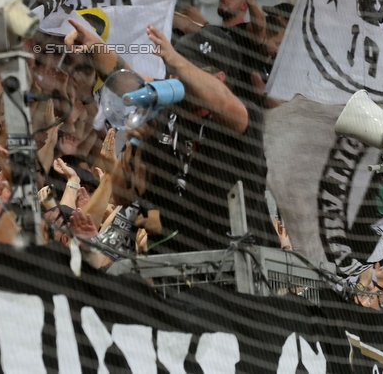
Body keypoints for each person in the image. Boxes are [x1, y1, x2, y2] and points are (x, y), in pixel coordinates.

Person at [64, 18, 275, 253]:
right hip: (174, 261)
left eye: (185, 71)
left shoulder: (241, 116)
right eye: (171, 73)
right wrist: (95, 47)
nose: (174, 79)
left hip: (240, 260)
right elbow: (129, 80)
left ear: (218, 78)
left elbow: (223, 101)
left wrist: (176, 58)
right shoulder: (166, 111)